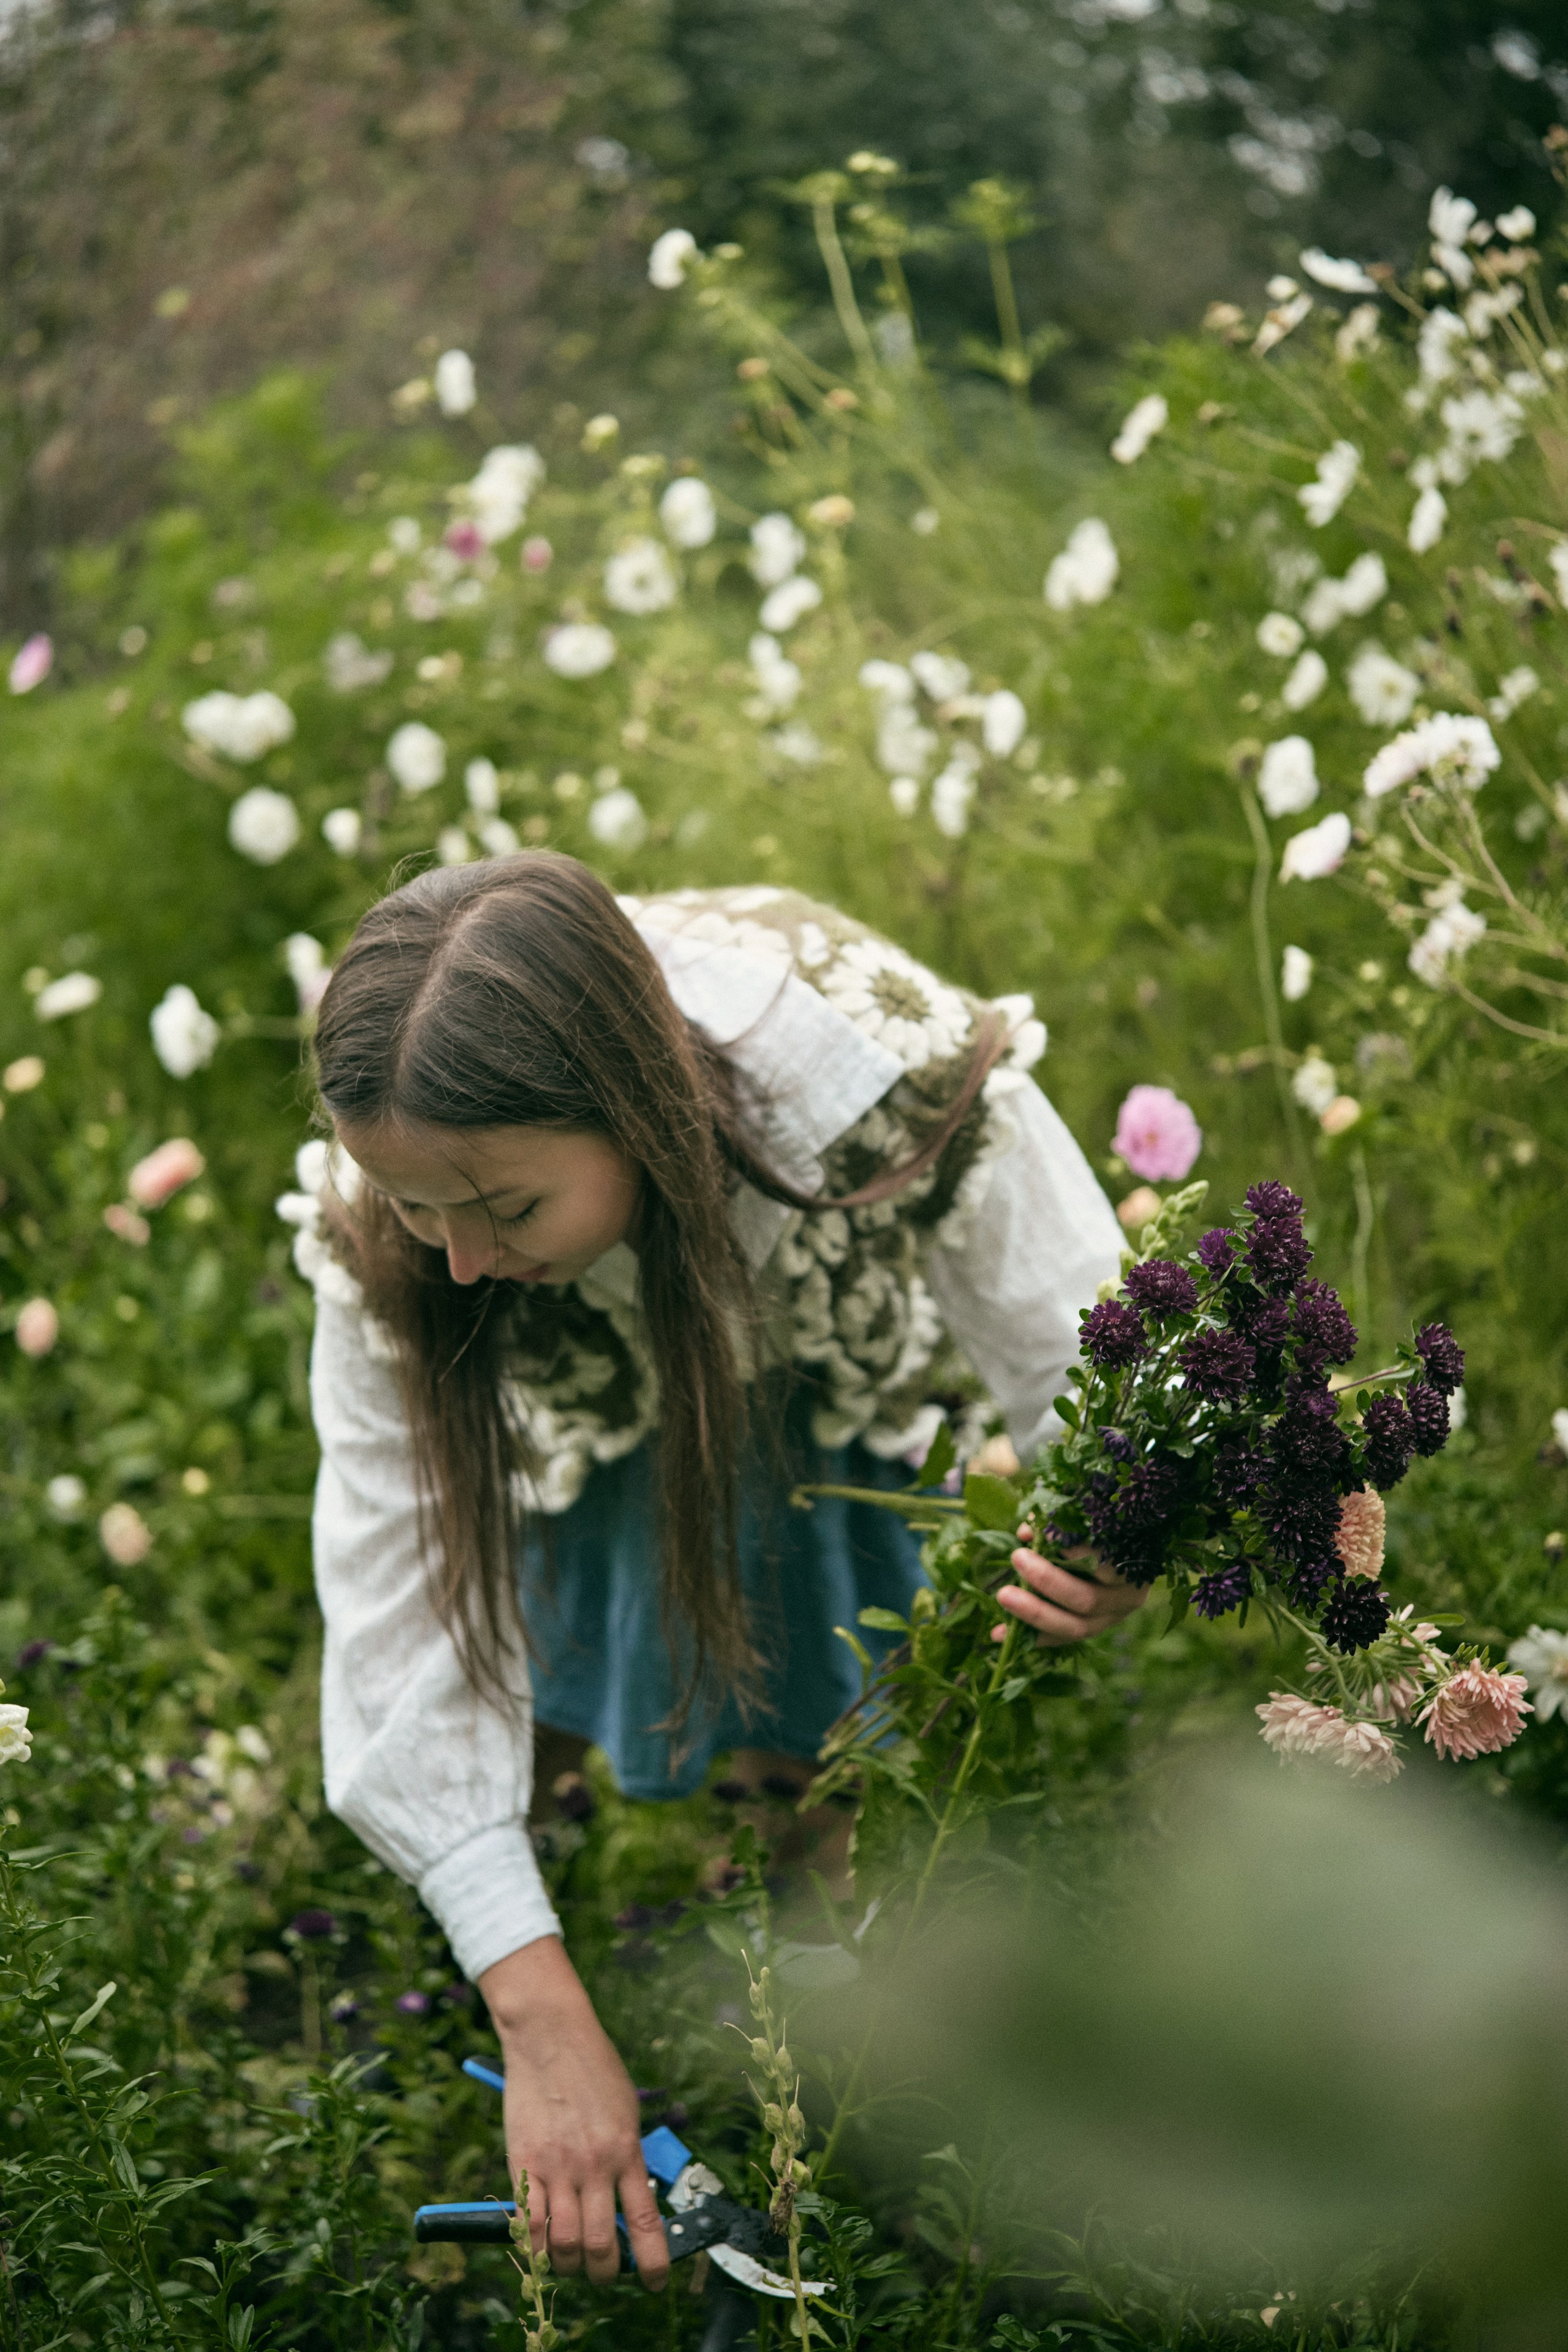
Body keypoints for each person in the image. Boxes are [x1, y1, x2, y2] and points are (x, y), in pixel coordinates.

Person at [289, 851, 1145, 2292]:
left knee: (798, 1551)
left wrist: (1112, 1518)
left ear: (632, 1120)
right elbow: (391, 1605)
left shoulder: (877, 1080)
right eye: (420, 1209)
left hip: (799, 1337)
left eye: (501, 1206)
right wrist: (537, 2016)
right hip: (594, 1370)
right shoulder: (407, 1189)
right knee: (560, 1564)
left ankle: (814, 1938)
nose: (452, 1260)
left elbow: (1083, 1331)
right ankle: (535, 1859)